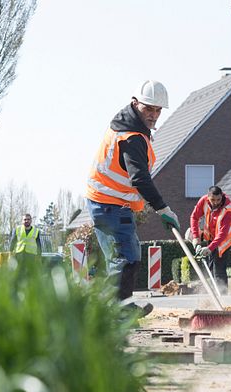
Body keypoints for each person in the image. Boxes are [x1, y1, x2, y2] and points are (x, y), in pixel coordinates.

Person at [86, 80, 180, 316]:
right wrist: (163, 209)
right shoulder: (131, 137)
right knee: (126, 256)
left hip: (105, 202)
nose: (154, 115)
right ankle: (116, 310)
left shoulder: (128, 126)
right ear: (135, 103)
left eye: (158, 110)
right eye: (149, 109)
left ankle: (115, 309)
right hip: (110, 204)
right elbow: (140, 179)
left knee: (119, 258)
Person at [188, 185, 231, 290]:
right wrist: (196, 238)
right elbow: (194, 217)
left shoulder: (227, 208)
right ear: (208, 197)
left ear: (222, 196)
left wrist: (210, 248)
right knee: (210, 267)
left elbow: (222, 233)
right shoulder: (204, 201)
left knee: (218, 268)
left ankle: (222, 295)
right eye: (212, 200)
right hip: (211, 237)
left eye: (218, 199)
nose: (216, 202)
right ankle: (214, 293)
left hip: (223, 240)